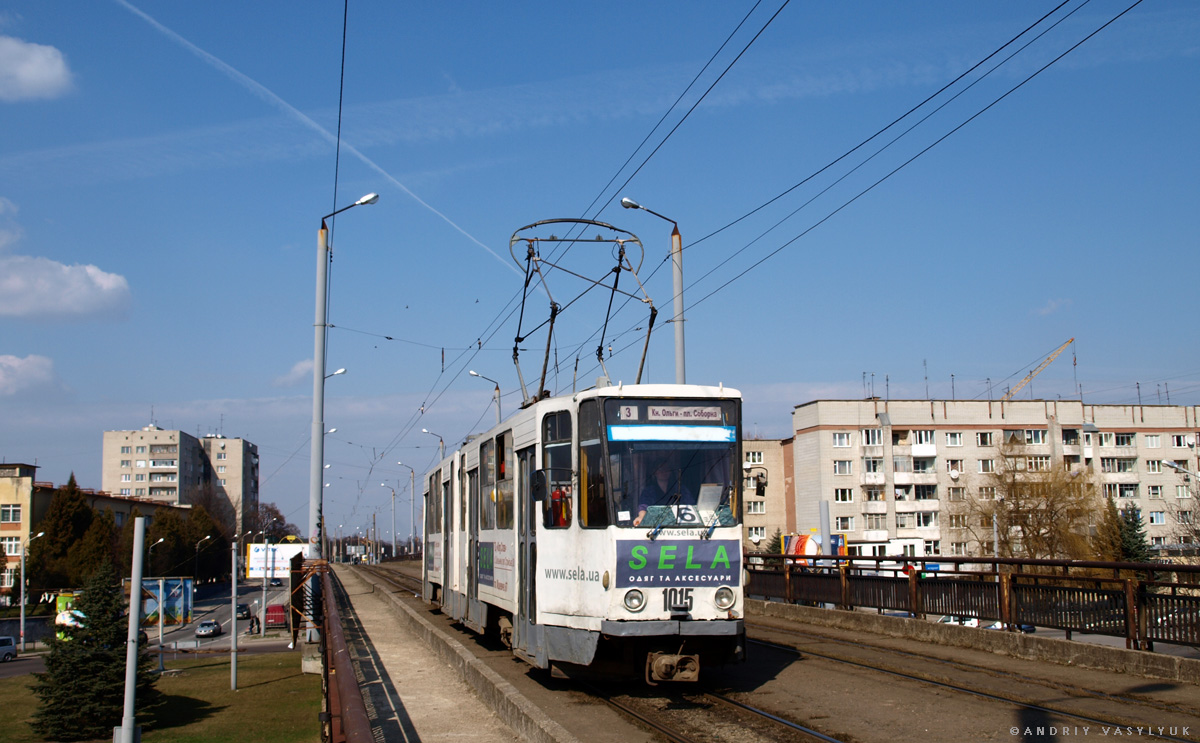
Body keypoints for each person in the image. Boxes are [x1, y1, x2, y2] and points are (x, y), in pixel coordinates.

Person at [633, 456, 693, 526]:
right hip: (655, 526)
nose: (664, 471)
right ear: (654, 472)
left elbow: (690, 505)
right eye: (660, 469)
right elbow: (643, 506)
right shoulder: (648, 491)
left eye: (667, 469)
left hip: (678, 524)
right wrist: (641, 517)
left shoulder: (681, 489)